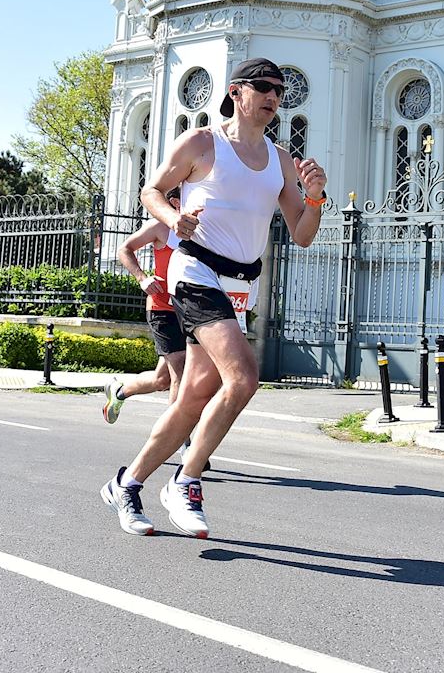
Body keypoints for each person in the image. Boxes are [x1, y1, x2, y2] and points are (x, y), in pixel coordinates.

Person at [101, 58, 328, 538]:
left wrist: (314, 197)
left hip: (241, 283)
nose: (273, 97)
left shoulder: (281, 160)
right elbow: (152, 190)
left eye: (279, 92)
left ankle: (128, 482)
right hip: (195, 270)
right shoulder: (204, 142)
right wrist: (172, 217)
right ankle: (185, 481)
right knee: (243, 378)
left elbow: (302, 235)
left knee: (193, 395)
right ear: (237, 91)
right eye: (264, 87)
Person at [102, 188, 192, 421]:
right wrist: (142, 278)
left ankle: (118, 392)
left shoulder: (203, 228)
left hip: (192, 310)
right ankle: (180, 438)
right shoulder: (159, 227)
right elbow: (124, 249)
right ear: (175, 202)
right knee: (180, 371)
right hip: (163, 308)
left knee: (162, 379)